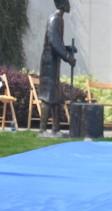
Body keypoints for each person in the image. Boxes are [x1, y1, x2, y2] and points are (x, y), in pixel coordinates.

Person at [38, 0, 76, 138]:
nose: (69, 5)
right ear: (62, 5)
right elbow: (53, 42)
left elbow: (58, 43)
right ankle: (42, 131)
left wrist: (67, 49)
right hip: (49, 62)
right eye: (67, 3)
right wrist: (67, 57)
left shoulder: (60, 19)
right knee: (48, 96)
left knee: (56, 96)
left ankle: (55, 129)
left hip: (54, 62)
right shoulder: (55, 18)